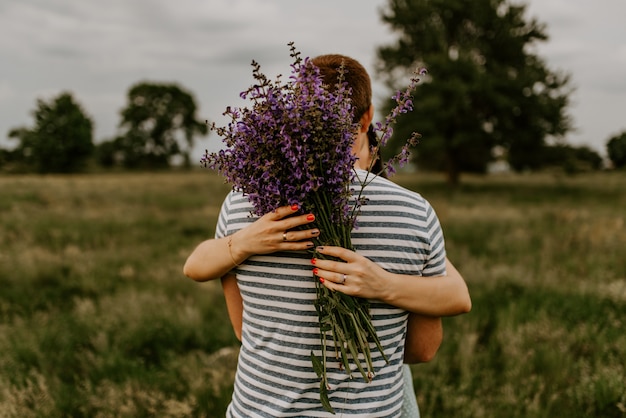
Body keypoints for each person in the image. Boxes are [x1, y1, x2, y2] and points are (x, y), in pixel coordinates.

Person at [184, 54, 471, 417]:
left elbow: (245, 332)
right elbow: (422, 350)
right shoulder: (414, 212)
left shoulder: (243, 206)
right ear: (367, 118)